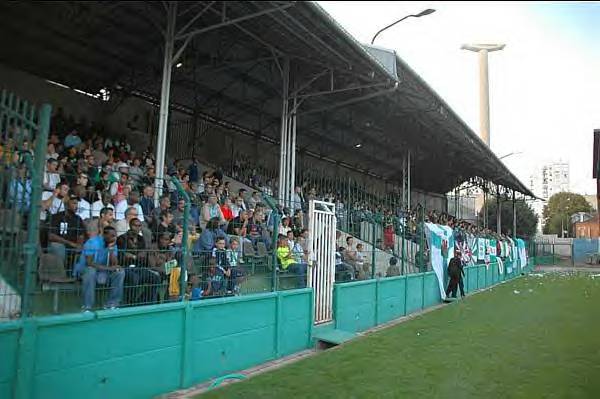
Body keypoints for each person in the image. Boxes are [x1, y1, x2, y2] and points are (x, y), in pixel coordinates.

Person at [76, 225, 125, 310]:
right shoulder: (92, 242)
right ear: (104, 235)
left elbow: (114, 264)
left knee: (120, 272)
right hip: (85, 271)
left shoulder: (113, 244)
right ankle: (87, 306)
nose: (115, 238)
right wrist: (109, 268)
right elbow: (89, 263)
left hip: (102, 273)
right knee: (90, 271)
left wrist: (111, 250)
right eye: (112, 236)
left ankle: (112, 304)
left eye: (115, 236)